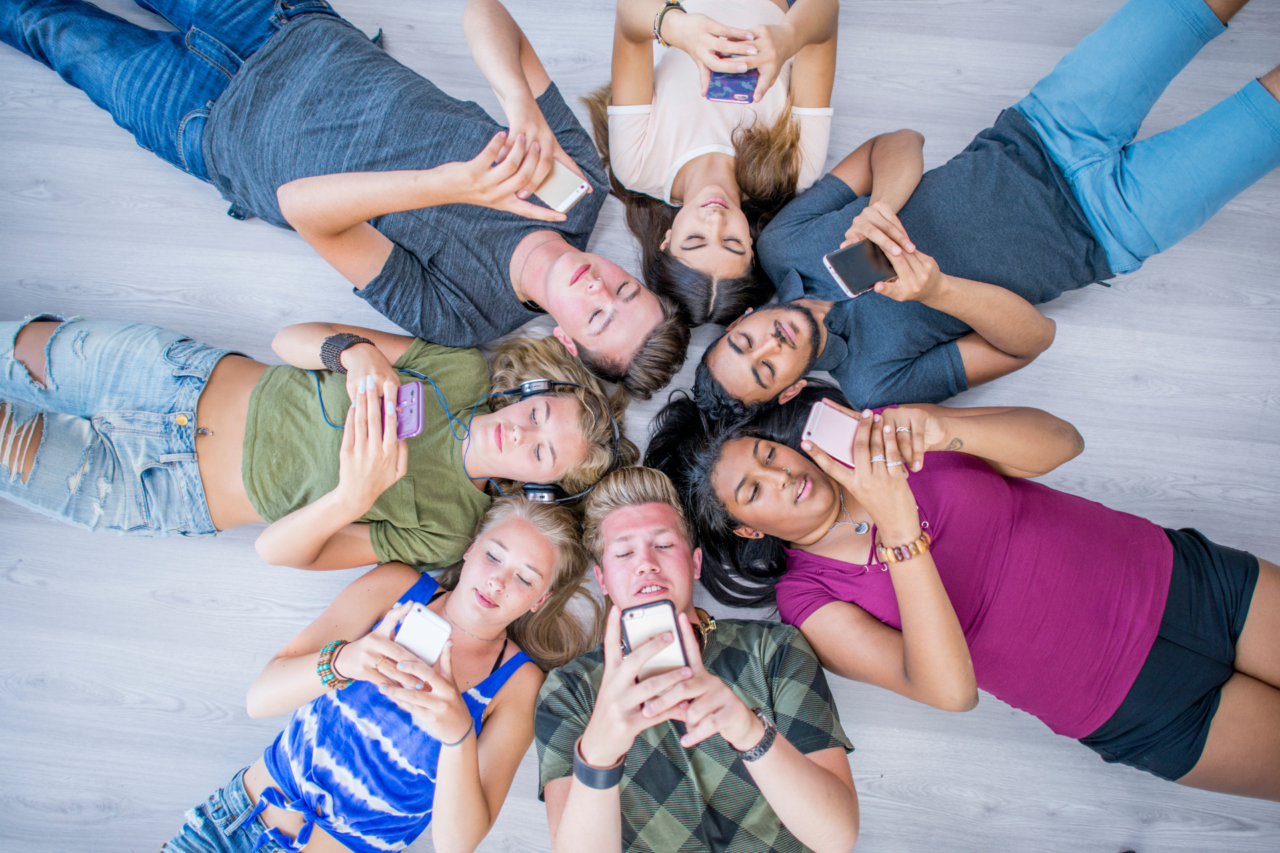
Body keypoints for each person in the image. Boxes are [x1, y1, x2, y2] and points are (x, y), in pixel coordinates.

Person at [0, 0, 690, 399]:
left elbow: (304, 207)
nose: (600, 285)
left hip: (210, 126)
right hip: (285, 25)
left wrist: (453, 183)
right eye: (625, 291)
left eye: (598, 317)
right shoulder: (577, 187)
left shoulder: (463, 315)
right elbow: (485, 11)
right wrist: (518, 98)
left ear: (568, 342)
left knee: (40, 24)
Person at [648, 384, 1280, 801]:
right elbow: (949, 691)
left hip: (1187, 579)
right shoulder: (809, 599)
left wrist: (941, 425)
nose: (780, 475)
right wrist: (898, 529)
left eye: (767, 454)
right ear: (748, 528)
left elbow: (1063, 443)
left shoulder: (883, 441)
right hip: (1134, 702)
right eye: (754, 491)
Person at [694, 0, 1280, 417]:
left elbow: (898, 143)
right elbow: (1032, 340)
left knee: (1186, 9)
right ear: (790, 391)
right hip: (1113, 225)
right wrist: (937, 292)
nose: (771, 344)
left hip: (1044, 128)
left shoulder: (782, 246)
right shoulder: (874, 383)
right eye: (768, 370)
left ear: (740, 323)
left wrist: (883, 207)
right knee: (1268, 116)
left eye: (746, 344)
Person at [0, 315, 635, 570]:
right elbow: (290, 340)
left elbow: (281, 554)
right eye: (541, 411)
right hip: (171, 379)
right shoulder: (460, 369)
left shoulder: (450, 531)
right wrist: (355, 355)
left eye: (541, 450)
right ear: (532, 389)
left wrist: (351, 496)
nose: (524, 429)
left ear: (537, 485)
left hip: (158, 490)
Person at [161, 497, 601, 853]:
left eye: (524, 579)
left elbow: (457, 844)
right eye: (493, 556)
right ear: (470, 549)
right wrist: (344, 662)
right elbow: (260, 700)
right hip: (232, 827)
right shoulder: (397, 588)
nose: (497, 582)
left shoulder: (517, 684)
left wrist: (456, 735)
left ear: (539, 600)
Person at [535, 466, 859, 853]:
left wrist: (749, 732)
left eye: (664, 545)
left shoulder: (774, 649)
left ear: (695, 563)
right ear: (602, 580)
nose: (646, 563)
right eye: (623, 552)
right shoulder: (568, 692)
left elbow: (837, 838)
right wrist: (599, 755)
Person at [583, 0, 838, 325]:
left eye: (695, 240)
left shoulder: (635, 165)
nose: (715, 220)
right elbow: (825, 11)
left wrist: (678, 27)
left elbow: (629, 18)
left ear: (667, 240)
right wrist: (789, 36)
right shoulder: (796, 169)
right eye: (731, 242)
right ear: (751, 244)